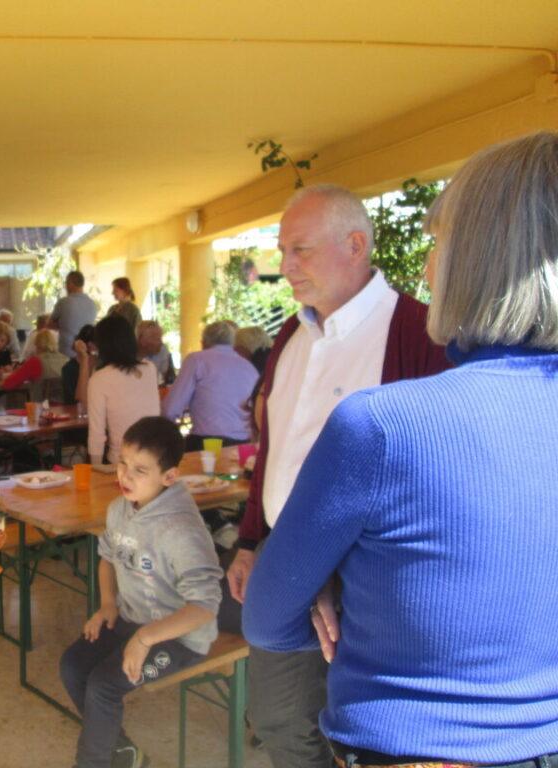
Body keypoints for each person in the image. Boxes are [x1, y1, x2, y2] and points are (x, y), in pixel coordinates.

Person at [244, 131, 558, 766]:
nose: (427, 264)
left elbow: (268, 617)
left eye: (441, 244)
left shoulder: (389, 413)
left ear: (478, 259)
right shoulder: (290, 337)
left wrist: (349, 586)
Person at [225, 183, 449, 768]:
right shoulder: (290, 337)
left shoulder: (421, 336)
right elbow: (274, 447)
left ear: (355, 245)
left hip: (372, 570)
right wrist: (251, 539)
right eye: (282, 250)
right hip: (285, 553)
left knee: (362, 731)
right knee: (277, 718)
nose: (284, 265)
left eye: (299, 249)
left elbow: (435, 478)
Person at [60, 416, 223, 768]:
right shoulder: (120, 509)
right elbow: (107, 557)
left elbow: (205, 607)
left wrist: (146, 638)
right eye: (122, 463)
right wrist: (106, 605)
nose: (125, 476)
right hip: (132, 620)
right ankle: (121, 750)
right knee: (73, 666)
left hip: (180, 637)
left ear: (169, 477)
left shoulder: (180, 529)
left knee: (104, 685)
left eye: (140, 470)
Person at [162, 321, 258, 450]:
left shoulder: (196, 360)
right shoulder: (248, 366)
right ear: (233, 343)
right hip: (243, 445)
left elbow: (171, 410)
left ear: (203, 343)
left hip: (207, 444)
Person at [86, 315, 160, 466]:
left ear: (101, 345)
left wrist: (96, 470)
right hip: (155, 460)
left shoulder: (100, 378)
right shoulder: (150, 369)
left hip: (122, 464)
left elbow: (97, 434)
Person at [1, 328, 67, 401]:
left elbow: (8, 384)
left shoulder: (35, 361)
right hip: (66, 406)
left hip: (41, 407)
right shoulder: (66, 360)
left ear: (36, 344)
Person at [51, 270, 98, 358]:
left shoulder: (64, 302)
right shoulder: (92, 304)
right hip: (85, 353)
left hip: (66, 353)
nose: (65, 286)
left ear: (70, 284)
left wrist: (61, 324)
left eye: (66, 283)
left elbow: (50, 324)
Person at [63, 324, 96, 405]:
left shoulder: (101, 367)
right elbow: (74, 401)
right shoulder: (69, 369)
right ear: (90, 346)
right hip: (78, 411)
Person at [136, 320, 175, 385]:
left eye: (160, 338)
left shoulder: (162, 351)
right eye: (157, 339)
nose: (161, 343)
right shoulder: (129, 355)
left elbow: (167, 379)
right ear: (142, 341)